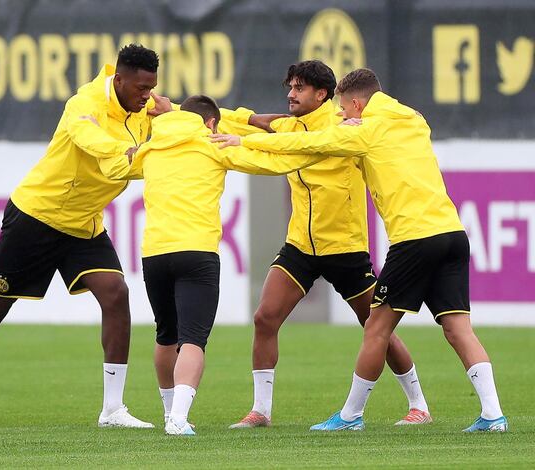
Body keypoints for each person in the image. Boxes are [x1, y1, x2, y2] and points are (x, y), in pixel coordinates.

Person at [212, 68, 507, 432]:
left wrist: (245, 144)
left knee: (377, 328)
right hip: (450, 233)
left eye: (343, 107)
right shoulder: (413, 118)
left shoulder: (363, 131)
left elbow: (311, 146)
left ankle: (356, 415)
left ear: (352, 102)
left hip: (395, 241)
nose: (341, 114)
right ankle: (494, 415)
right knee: (458, 328)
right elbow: (275, 128)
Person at [0, 44, 171, 428]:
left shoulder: (144, 108)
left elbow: (193, 119)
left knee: (116, 294)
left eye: (152, 88)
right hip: (37, 216)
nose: (147, 95)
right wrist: (134, 152)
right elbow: (95, 143)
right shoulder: (82, 103)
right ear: (119, 80)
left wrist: (244, 124)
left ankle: (112, 410)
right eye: (141, 88)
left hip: (83, 224)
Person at [224, 61, 431, 429]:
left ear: (322, 95)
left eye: (299, 88)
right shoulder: (288, 126)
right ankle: (261, 411)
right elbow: (242, 120)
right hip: (300, 246)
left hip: (345, 248)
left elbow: (392, 121)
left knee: (376, 327)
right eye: (290, 86)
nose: (290, 94)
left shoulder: (347, 126)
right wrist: (178, 112)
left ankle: (418, 404)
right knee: (264, 317)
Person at [109, 95, 327, 435]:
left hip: (154, 255)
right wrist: (323, 145)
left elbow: (115, 166)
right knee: (193, 340)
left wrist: (106, 136)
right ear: (211, 124)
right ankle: (178, 419)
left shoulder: (152, 148)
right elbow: (271, 164)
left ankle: (170, 413)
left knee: (166, 336)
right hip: (196, 253)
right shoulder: (212, 145)